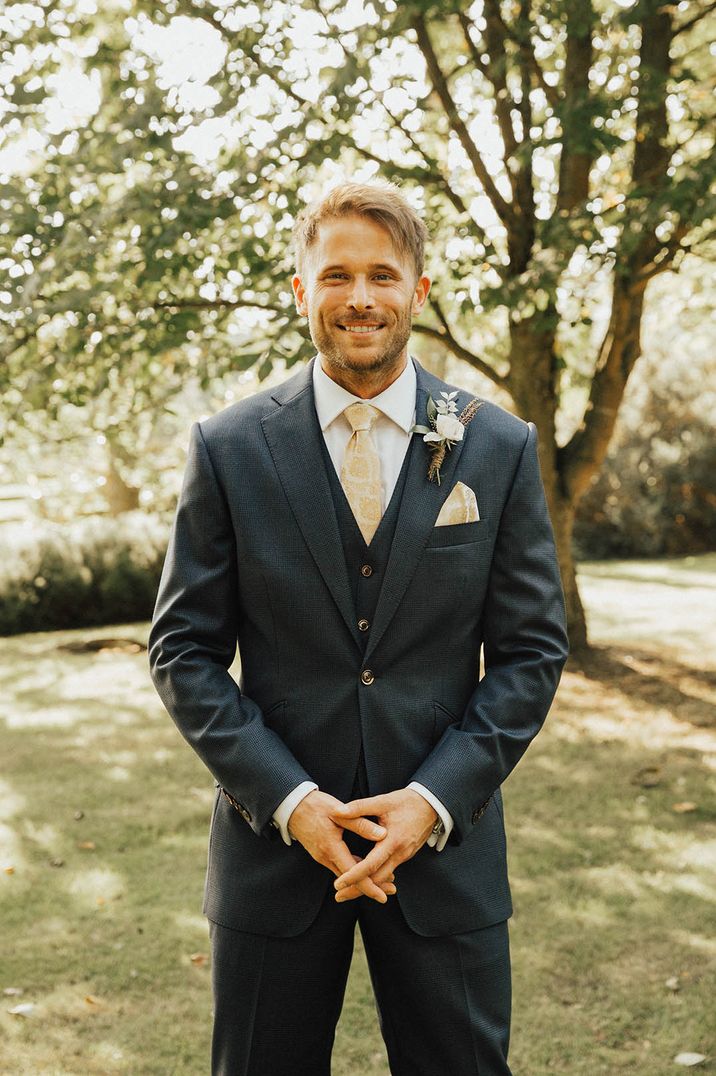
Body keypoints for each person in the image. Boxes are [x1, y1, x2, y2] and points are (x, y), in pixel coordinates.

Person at [148, 181, 569, 1076]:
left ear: (419, 291)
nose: (361, 298)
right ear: (301, 290)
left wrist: (435, 801)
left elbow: (531, 651)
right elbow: (182, 651)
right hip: (274, 861)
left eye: (384, 274)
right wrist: (292, 803)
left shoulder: (496, 446)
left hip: (446, 861)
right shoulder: (227, 448)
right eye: (336, 274)